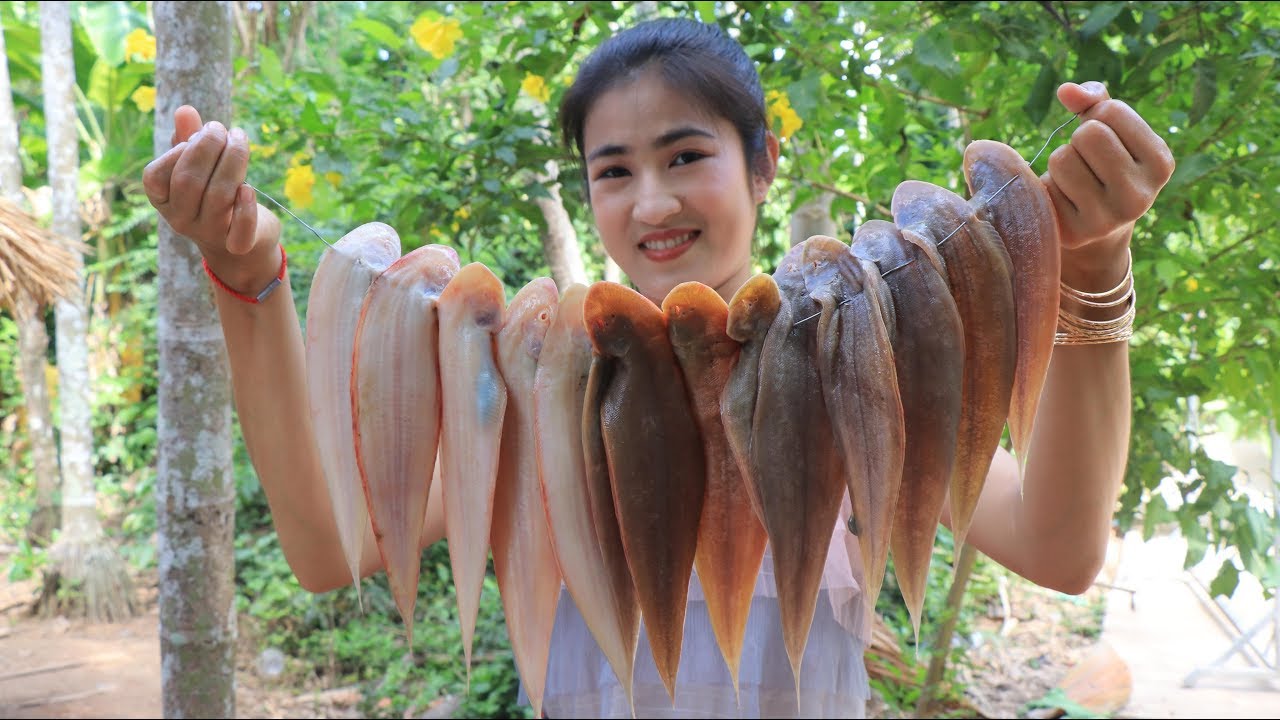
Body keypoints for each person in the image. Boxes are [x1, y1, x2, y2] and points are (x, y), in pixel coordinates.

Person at [143, 15, 1174, 720]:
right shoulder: (538, 391)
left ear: (761, 163)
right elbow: (328, 550)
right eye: (613, 170)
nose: (650, 204)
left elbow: (1057, 545)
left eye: (685, 156)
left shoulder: (850, 370)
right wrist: (250, 280)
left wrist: (1090, 266)